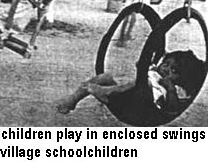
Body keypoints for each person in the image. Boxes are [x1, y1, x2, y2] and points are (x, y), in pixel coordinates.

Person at [55, 50, 205, 125]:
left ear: (182, 78)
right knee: (105, 77)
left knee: (142, 83)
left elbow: (173, 108)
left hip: (142, 109)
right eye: (166, 64)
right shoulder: (154, 71)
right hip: (126, 99)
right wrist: (143, 65)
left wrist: (170, 87)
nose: (167, 70)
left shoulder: (177, 89)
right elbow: (144, 66)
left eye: (174, 71)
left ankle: (106, 93)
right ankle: (72, 100)